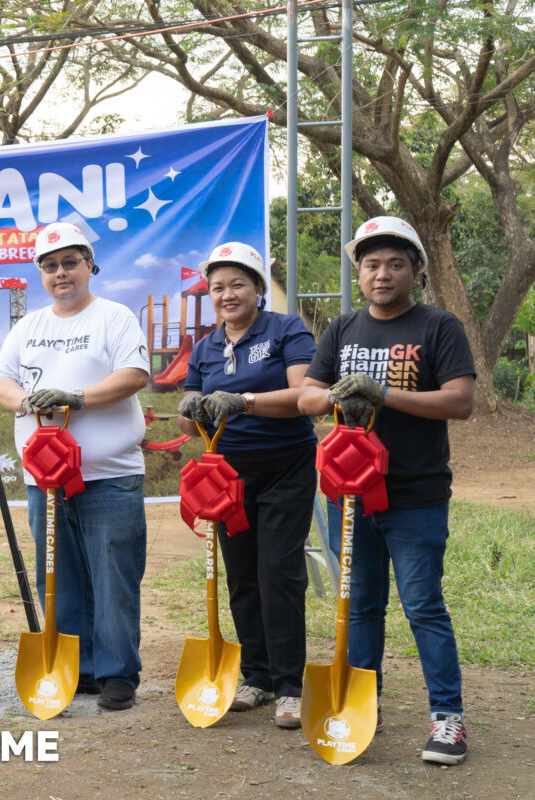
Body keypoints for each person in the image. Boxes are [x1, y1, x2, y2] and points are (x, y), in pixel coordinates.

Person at [298, 215, 475, 765]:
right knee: (359, 606)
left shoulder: (438, 326)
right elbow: (307, 395)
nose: (382, 274)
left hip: (415, 495)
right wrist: (334, 399)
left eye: (395, 264)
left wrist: (385, 394)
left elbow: (460, 401)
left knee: (423, 606)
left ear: (415, 270)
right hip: (346, 496)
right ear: (359, 271)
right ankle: (360, 706)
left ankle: (448, 720)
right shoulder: (343, 329)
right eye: (371, 264)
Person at [0, 221, 151, 711]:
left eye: (70, 262)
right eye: (51, 265)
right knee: (59, 575)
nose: (61, 273)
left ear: (89, 266)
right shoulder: (29, 326)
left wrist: (75, 398)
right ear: (42, 274)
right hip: (46, 479)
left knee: (113, 575)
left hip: (109, 475)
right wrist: (25, 403)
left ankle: (118, 672)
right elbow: (1, 381)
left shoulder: (114, 317)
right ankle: (76, 667)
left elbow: (134, 374)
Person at [174, 241, 317, 729]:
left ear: (258, 287)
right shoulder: (205, 346)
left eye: (238, 284)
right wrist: (190, 411)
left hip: (286, 467)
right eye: (218, 287)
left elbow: (305, 395)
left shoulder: (286, 329)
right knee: (241, 575)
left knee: (279, 571)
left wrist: (247, 401)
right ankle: (257, 677)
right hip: (228, 474)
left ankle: (290, 688)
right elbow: (192, 411)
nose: (227, 294)